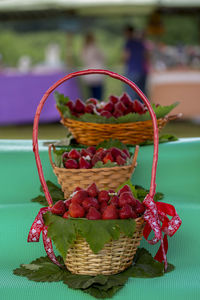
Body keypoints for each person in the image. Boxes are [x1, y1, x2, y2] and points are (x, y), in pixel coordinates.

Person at [123, 25, 149, 101]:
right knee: (142, 95)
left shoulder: (128, 43)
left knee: (131, 96)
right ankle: (145, 111)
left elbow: (125, 57)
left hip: (132, 71)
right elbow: (146, 56)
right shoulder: (141, 43)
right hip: (142, 71)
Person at [81, 33, 105, 100]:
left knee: (90, 96)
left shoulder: (84, 49)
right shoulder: (94, 48)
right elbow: (103, 57)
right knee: (98, 97)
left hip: (88, 76)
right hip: (97, 75)